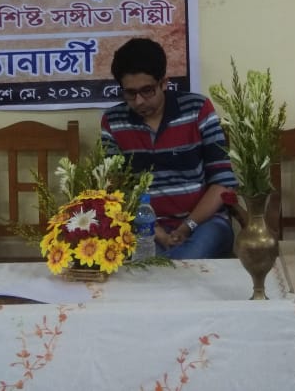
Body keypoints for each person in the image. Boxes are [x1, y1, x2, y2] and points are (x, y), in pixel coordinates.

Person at [100, 38, 238, 259]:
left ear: (164, 83)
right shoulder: (113, 121)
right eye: (130, 93)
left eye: (147, 91)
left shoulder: (198, 109)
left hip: (204, 223)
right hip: (143, 227)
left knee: (184, 258)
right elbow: (117, 191)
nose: (139, 101)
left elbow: (222, 183)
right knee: (143, 263)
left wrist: (186, 227)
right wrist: (157, 233)